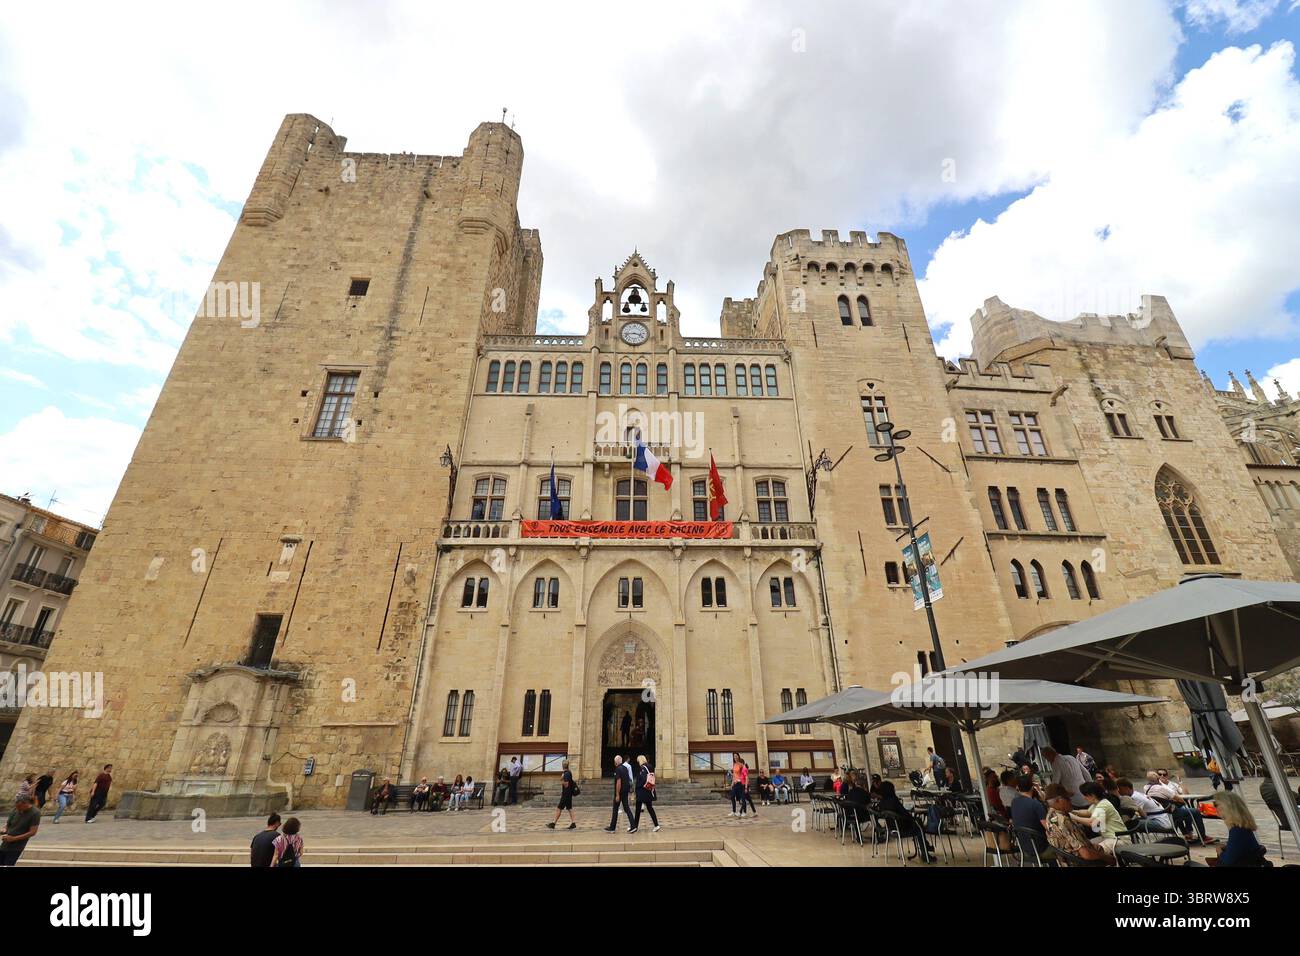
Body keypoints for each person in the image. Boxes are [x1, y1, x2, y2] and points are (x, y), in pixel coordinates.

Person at [1043, 784, 1111, 864]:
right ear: (1059, 801)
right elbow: (1086, 854)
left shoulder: (1050, 815)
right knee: (1117, 852)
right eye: (1068, 799)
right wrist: (1108, 858)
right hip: (1083, 863)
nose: (1071, 801)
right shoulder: (1065, 821)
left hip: (1068, 861)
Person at [1145, 770, 1215, 845]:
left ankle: (1187, 834)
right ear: (1158, 778)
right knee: (1195, 811)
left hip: (1164, 813)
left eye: (1164, 774)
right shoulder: (1161, 788)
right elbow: (1179, 799)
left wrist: (1179, 782)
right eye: (1160, 774)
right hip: (1170, 813)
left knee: (1186, 811)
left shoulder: (1146, 788)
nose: (1162, 776)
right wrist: (1181, 802)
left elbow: (1186, 793)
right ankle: (1202, 837)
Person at [877, 781, 935, 862]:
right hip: (902, 828)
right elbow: (905, 814)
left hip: (891, 829)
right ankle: (925, 851)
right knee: (919, 826)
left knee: (918, 823)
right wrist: (912, 818)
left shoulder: (882, 803)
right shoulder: (894, 800)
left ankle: (925, 845)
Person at [1213, 791, 1268, 867]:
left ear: (1227, 807)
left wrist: (1219, 851)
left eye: (1216, 804)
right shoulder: (1242, 827)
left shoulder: (1237, 831)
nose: (1214, 807)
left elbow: (1227, 861)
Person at [1071, 782, 1124, 856]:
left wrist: (1072, 817)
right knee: (1087, 845)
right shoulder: (1097, 803)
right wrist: (1072, 811)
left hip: (1118, 839)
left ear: (1092, 795)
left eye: (1085, 795)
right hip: (1108, 837)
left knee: (1092, 852)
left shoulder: (1103, 805)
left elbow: (1091, 822)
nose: (1084, 798)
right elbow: (1087, 812)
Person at [1009, 775, 1053, 863]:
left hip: (1024, 847)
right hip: (1041, 848)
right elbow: (1048, 828)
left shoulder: (1014, 802)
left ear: (1018, 788)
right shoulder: (1035, 804)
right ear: (1032, 787)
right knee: (1066, 849)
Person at [0, 795, 41, 867]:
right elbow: (8, 824)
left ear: (26, 804)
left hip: (17, 845)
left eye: (19, 807)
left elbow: (33, 832)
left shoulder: (35, 813)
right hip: (6, 842)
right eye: (16, 806)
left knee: (9, 864)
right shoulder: (16, 809)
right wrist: (4, 829)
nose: (18, 809)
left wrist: (14, 839)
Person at [631, 754, 661, 833]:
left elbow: (643, 779)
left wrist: (637, 788)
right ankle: (656, 825)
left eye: (638, 761)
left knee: (638, 809)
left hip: (642, 792)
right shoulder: (650, 766)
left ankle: (635, 827)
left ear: (640, 760)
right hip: (649, 790)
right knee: (650, 808)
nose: (638, 763)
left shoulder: (643, 768)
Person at [605, 755, 635, 832]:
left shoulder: (618, 769)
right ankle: (633, 825)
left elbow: (618, 782)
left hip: (620, 792)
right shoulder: (625, 768)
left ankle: (612, 827)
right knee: (627, 808)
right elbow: (628, 779)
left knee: (615, 809)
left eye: (615, 761)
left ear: (616, 762)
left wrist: (617, 794)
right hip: (625, 791)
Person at [546, 759, 578, 830]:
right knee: (569, 808)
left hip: (566, 794)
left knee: (559, 808)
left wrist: (561, 780)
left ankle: (553, 824)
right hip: (568, 794)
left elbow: (566, 784)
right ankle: (573, 823)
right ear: (568, 765)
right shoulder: (568, 772)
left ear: (562, 766)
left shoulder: (566, 773)